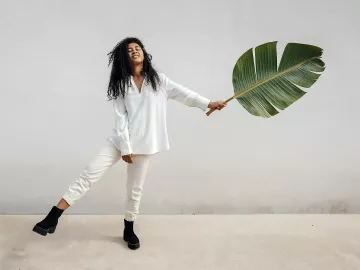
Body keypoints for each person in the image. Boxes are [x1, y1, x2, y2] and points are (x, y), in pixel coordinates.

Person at [32, 37, 227, 250]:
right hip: (119, 141)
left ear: (143, 52)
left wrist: (208, 103)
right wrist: (125, 147)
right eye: (129, 50)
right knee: (89, 173)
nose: (134, 51)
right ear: (123, 57)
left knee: (135, 190)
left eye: (137, 48)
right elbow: (121, 117)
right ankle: (53, 216)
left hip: (145, 145)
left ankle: (129, 228)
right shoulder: (121, 84)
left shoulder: (159, 80)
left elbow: (184, 94)